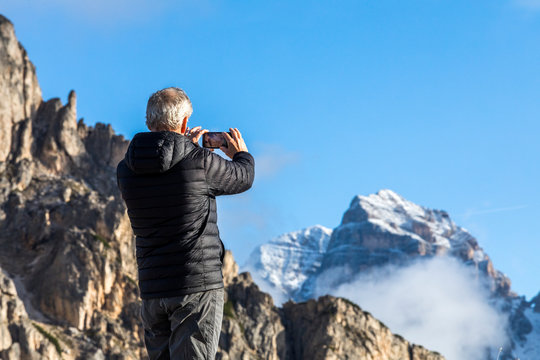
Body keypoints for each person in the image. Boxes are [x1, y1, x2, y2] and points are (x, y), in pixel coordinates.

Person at [116, 87, 255, 359]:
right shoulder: (199, 163)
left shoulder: (126, 170)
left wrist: (185, 147)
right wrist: (241, 153)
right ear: (184, 123)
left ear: (148, 122)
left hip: (154, 291)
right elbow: (244, 177)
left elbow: (165, 167)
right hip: (196, 288)